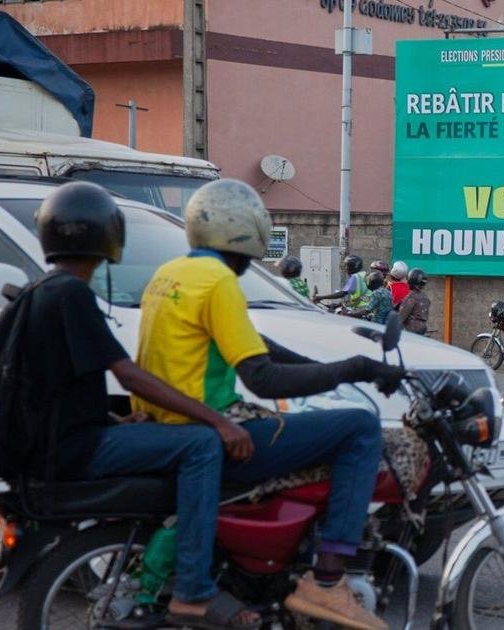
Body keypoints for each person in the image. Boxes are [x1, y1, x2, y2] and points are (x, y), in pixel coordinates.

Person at [0, 182, 269, 628]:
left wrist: (117, 419)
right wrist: (218, 422)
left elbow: (54, 391)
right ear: (110, 236)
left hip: (56, 447)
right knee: (202, 445)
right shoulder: (73, 295)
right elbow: (127, 373)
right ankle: (193, 587)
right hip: (73, 451)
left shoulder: (39, 291)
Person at [136, 179, 405, 628]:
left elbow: (256, 345)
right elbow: (261, 378)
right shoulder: (219, 281)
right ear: (245, 232)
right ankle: (327, 579)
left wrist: (339, 369)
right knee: (360, 427)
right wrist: (354, 369)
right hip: (214, 431)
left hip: (171, 428)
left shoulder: (172, 273)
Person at [398, 268, 431, 335]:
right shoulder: (425, 297)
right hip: (423, 330)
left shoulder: (411, 297)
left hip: (411, 332)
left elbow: (401, 317)